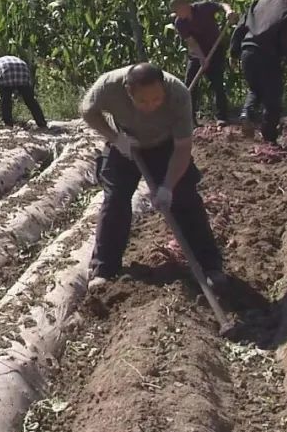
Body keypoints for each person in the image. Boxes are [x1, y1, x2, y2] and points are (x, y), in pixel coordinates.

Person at [79, 62, 226, 291]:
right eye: (143, 101)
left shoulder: (178, 94)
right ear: (129, 92)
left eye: (157, 99)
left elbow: (182, 148)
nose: (151, 106)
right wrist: (115, 138)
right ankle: (104, 269)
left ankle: (210, 265)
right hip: (126, 144)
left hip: (164, 145)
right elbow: (88, 111)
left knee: (185, 197)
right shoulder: (109, 85)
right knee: (115, 199)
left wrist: (167, 187)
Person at [229, 0, 287, 146]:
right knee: (273, 97)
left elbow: (240, 28)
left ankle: (246, 115)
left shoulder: (258, 3)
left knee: (255, 89)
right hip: (267, 56)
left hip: (247, 53)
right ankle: (269, 136)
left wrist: (234, 53)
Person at [170, 0, 239, 126]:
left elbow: (222, 5)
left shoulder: (203, 7)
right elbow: (191, 42)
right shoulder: (180, 22)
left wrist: (228, 11)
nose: (177, 14)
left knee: (217, 83)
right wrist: (202, 58)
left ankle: (222, 117)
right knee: (190, 84)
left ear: (185, 6)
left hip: (215, 49)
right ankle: (190, 120)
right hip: (196, 53)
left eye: (178, 11)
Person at [0, 55, 48, 129]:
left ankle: (8, 124)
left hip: (6, 74)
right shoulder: (11, 59)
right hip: (22, 69)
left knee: (6, 100)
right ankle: (41, 122)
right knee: (30, 100)